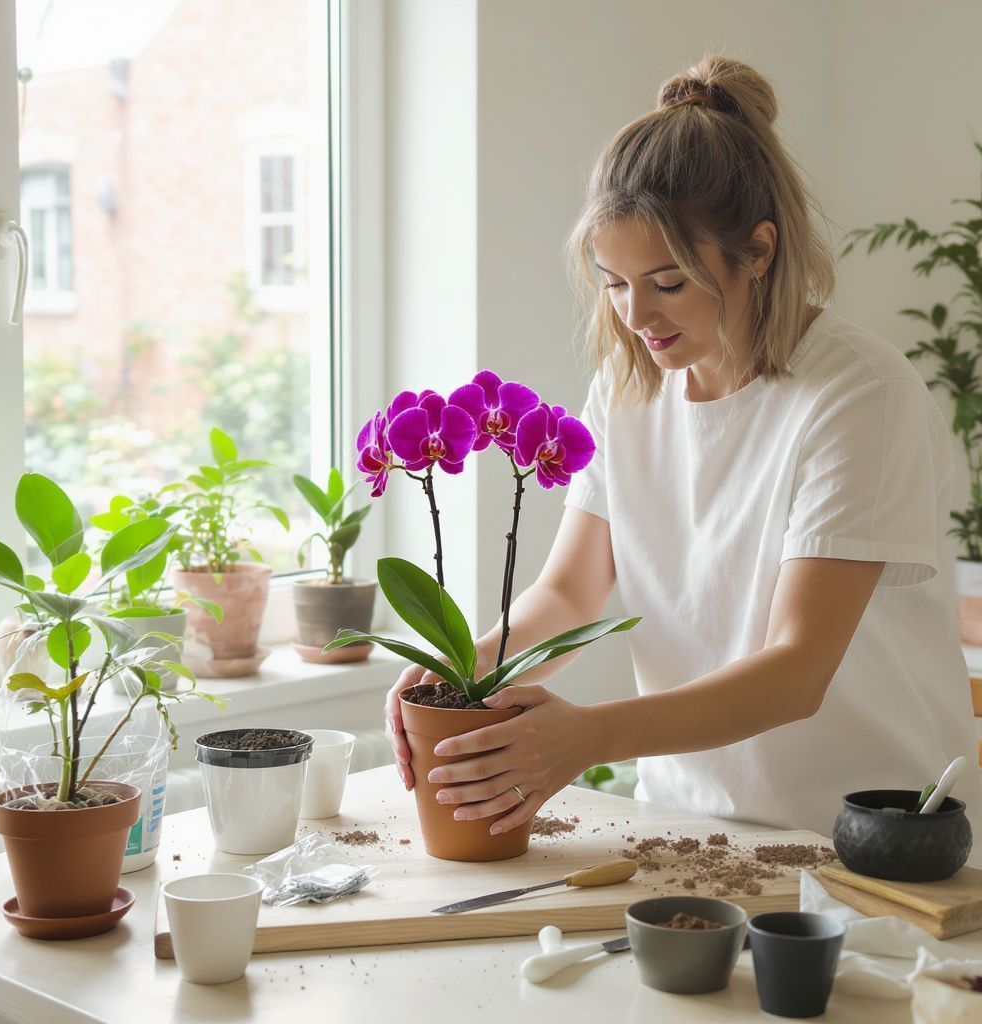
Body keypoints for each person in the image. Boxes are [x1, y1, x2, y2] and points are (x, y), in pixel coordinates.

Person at [384, 54, 982, 847]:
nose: (637, 315)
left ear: (759, 250)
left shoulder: (857, 392)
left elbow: (798, 667)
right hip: (685, 828)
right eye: (614, 282)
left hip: (865, 836)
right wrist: (464, 672)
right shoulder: (629, 388)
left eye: (668, 283)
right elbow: (568, 595)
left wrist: (588, 737)